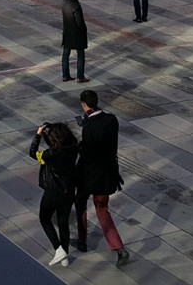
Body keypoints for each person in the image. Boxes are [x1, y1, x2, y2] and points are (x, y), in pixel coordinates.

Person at [74, 90, 129, 267]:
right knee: (102, 210)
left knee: (80, 203)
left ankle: (82, 241)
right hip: (108, 174)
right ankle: (118, 247)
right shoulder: (112, 119)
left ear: (84, 104)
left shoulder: (89, 126)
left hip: (89, 174)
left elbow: (88, 152)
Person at [30, 121, 79, 267]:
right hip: (68, 191)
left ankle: (58, 249)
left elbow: (33, 153)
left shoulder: (49, 155)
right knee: (63, 222)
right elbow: (58, 144)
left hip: (52, 192)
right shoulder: (73, 147)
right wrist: (48, 132)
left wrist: (38, 135)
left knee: (44, 219)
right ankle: (65, 257)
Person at [61, 0, 90, 83]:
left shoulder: (64, 3)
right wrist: (84, 29)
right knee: (80, 55)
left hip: (67, 33)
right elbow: (79, 22)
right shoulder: (76, 5)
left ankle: (65, 75)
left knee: (65, 55)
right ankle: (80, 76)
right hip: (77, 34)